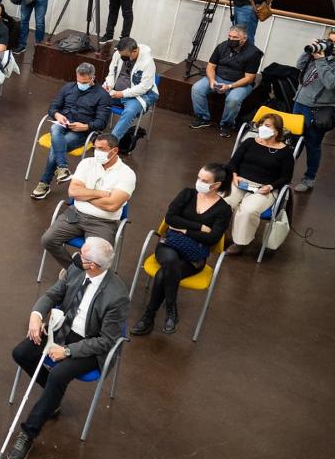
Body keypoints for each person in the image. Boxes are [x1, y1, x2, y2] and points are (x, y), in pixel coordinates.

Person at [4, 237, 129, 459]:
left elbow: (106, 341)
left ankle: (28, 433)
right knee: (21, 353)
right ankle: (53, 399)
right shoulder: (76, 269)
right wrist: (36, 316)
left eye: (82, 255)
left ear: (93, 265)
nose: (76, 256)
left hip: (89, 345)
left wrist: (68, 351)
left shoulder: (117, 296)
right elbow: (53, 294)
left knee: (59, 375)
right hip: (63, 328)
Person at [132, 164, 232, 335]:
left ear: (216, 185)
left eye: (204, 180)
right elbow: (170, 218)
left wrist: (184, 230)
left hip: (194, 256)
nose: (199, 182)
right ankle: (171, 310)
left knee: (163, 273)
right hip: (170, 245)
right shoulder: (187, 194)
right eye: (199, 177)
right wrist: (199, 227)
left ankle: (149, 316)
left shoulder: (224, 209)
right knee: (170, 262)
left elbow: (213, 238)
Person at [39, 134, 135, 265]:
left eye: (101, 149)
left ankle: (83, 273)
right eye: (95, 148)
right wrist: (101, 194)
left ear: (114, 151)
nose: (97, 152)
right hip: (75, 213)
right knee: (48, 240)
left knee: (98, 258)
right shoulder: (86, 163)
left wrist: (84, 196)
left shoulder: (127, 174)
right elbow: (73, 192)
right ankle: (73, 271)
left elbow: (112, 205)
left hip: (103, 222)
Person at [292, 26, 335, 192]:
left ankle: (309, 178)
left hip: (319, 109)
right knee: (292, 141)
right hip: (300, 102)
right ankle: (283, 173)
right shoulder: (324, 53)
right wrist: (310, 51)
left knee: (312, 144)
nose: (332, 44)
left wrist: (321, 60)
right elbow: (299, 65)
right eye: (330, 40)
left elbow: (332, 83)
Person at [30, 65, 113, 199]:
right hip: (63, 124)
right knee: (55, 128)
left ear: (93, 78)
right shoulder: (68, 88)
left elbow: (102, 123)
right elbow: (53, 107)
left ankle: (45, 182)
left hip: (82, 132)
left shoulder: (103, 96)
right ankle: (62, 168)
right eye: (78, 81)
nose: (80, 84)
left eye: (84, 82)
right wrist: (57, 115)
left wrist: (85, 126)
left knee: (56, 146)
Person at [225, 113, 294, 252]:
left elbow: (286, 177)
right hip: (239, 182)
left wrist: (271, 186)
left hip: (264, 188)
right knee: (223, 202)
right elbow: (233, 163)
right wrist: (234, 175)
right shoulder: (250, 142)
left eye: (267, 125)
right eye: (261, 125)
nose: (262, 128)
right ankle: (215, 234)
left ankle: (240, 243)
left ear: (277, 131)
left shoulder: (285, 153)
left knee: (248, 210)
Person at [189, 25, 263, 137]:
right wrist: (212, 80)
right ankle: (202, 118)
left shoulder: (253, 53)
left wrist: (229, 86)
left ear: (244, 38)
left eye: (235, 37)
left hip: (240, 83)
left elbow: (249, 78)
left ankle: (227, 124)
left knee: (233, 99)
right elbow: (211, 66)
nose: (231, 39)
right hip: (219, 77)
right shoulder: (222, 46)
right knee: (197, 89)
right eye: (230, 36)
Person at [102, 37, 158, 141]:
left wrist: (122, 94)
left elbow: (144, 87)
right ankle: (93, 132)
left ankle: (111, 142)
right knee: (97, 97)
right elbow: (111, 73)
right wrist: (108, 85)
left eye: (125, 56)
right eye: (121, 55)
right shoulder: (118, 54)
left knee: (130, 111)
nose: (122, 58)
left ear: (135, 51)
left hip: (140, 95)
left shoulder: (148, 62)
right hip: (115, 92)